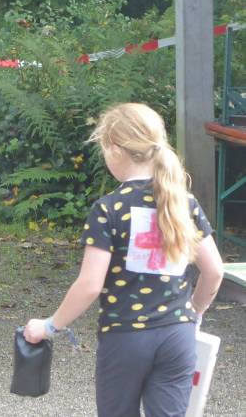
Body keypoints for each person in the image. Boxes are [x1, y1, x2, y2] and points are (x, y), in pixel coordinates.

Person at [24, 103, 224, 417]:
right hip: (178, 336)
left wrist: (49, 326)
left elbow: (90, 285)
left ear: (115, 150)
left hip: (125, 338)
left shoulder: (108, 209)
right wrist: (193, 313)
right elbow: (214, 272)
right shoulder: (185, 203)